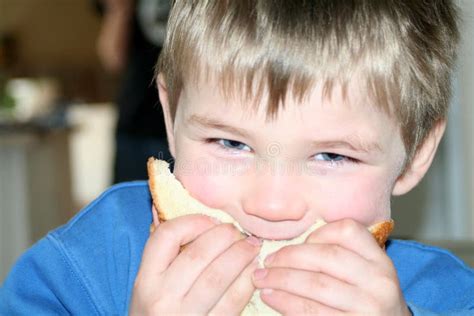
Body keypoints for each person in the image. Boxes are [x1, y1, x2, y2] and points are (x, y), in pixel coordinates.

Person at [1, 1, 473, 314]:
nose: (270, 204)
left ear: (415, 156)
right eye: (230, 144)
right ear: (171, 116)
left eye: (331, 155)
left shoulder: (448, 296)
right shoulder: (82, 269)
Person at [95, 0, 172, 183]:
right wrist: (120, 11)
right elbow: (112, 59)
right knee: (129, 204)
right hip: (137, 121)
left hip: (191, 118)